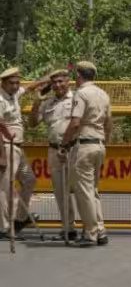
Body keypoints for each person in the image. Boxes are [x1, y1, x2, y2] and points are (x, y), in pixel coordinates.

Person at [59, 61, 112, 247]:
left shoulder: (81, 93)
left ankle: (90, 233)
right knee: (92, 190)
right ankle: (100, 230)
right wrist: (105, 141)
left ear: (79, 76)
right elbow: (109, 123)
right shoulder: (103, 94)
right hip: (99, 144)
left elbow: (75, 123)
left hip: (84, 145)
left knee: (84, 192)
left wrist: (64, 144)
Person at [29, 69, 77, 240]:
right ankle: (68, 229)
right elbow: (33, 123)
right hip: (55, 150)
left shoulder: (77, 99)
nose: (58, 85)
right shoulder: (48, 103)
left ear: (68, 81)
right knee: (60, 191)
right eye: (54, 82)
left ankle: (91, 230)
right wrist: (37, 102)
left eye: (61, 81)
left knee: (82, 190)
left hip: (74, 149)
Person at [0, 67, 45, 239]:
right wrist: (2, 155)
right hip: (6, 146)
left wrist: (48, 78)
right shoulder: (1, 99)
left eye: (17, 83)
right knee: (5, 187)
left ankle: (20, 218)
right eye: (11, 83)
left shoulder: (14, 94)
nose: (15, 86)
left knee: (29, 180)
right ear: (3, 83)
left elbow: (30, 87)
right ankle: (4, 226)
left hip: (18, 147)